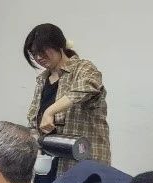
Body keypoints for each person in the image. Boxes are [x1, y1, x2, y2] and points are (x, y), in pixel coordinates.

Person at [24, 23, 111, 172]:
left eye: (42, 51)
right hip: (48, 162)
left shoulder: (83, 68)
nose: (38, 57)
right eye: (34, 53)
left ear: (58, 45)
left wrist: (49, 111)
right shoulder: (42, 80)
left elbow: (85, 88)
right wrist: (36, 149)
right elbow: (33, 121)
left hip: (82, 163)